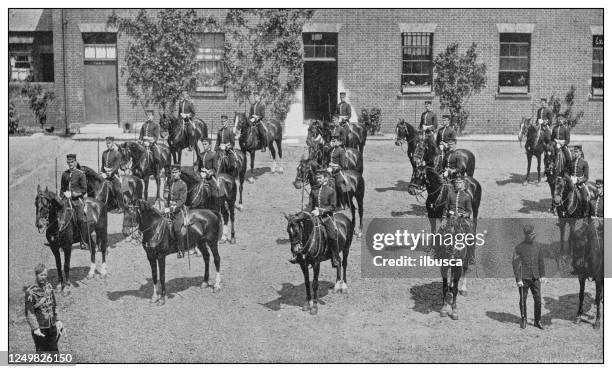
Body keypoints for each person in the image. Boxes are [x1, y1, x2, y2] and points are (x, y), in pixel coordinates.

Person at [294, 168, 341, 268]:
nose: (318, 179)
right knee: (302, 232)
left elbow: (333, 207)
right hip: (313, 216)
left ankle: (335, 257)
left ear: (325, 179)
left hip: (326, 217)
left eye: (320, 178)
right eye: (317, 178)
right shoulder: (314, 189)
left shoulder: (331, 191)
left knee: (332, 236)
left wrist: (320, 211)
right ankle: (302, 255)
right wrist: (303, 213)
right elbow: (310, 204)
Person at [512, 225, 546, 330]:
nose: (532, 236)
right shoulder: (519, 248)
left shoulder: (538, 246)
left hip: (535, 278)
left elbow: (541, 261)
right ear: (526, 235)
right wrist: (518, 279)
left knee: (538, 300)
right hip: (524, 279)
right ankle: (524, 319)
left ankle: (537, 320)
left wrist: (543, 275)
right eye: (530, 235)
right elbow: (515, 264)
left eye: (533, 234)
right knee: (523, 300)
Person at [25, 264, 64, 352]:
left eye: (45, 275)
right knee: (41, 352)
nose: (43, 277)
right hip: (40, 327)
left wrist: (58, 320)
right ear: (36, 275)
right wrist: (35, 328)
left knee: (54, 350)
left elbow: (54, 304)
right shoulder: (30, 291)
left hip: (52, 325)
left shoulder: (49, 287)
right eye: (41, 275)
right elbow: (29, 312)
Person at [61, 154, 89, 250]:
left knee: (80, 219)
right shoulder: (64, 174)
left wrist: (72, 194)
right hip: (66, 199)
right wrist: (63, 195)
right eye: (68, 162)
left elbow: (84, 189)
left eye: (72, 162)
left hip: (77, 200)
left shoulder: (81, 174)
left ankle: (83, 241)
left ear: (75, 162)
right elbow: (62, 189)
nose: (70, 164)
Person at [444, 177, 474, 263]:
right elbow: (445, 209)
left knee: (470, 235)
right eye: (456, 183)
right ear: (455, 184)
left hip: (462, 219)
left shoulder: (467, 196)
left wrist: (464, 215)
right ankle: (437, 252)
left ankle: (471, 256)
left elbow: (469, 211)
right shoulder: (450, 194)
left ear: (463, 184)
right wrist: (444, 218)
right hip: (451, 218)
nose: (458, 184)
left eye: (460, 182)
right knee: (440, 233)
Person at [165, 165, 188, 258]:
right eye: (172, 173)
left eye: (175, 172)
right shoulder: (170, 182)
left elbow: (182, 201)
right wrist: (166, 206)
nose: (174, 174)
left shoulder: (183, 184)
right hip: (169, 208)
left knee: (177, 229)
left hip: (179, 210)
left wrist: (171, 208)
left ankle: (181, 250)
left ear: (179, 173)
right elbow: (167, 196)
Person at [100, 136, 123, 211]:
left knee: (117, 189)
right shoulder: (104, 153)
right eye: (107, 143)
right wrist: (101, 172)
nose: (108, 145)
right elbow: (102, 165)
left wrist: (109, 173)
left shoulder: (117, 154)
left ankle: (120, 206)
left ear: (113, 143)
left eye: (109, 143)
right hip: (105, 174)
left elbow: (116, 167)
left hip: (113, 175)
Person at [569, 145, 590, 214]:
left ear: (580, 152)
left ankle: (585, 213)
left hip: (580, 184)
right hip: (571, 182)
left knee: (584, 197)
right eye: (574, 152)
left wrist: (578, 180)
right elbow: (568, 172)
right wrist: (570, 178)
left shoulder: (584, 163)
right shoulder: (571, 162)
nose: (575, 153)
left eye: (577, 152)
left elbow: (586, 177)